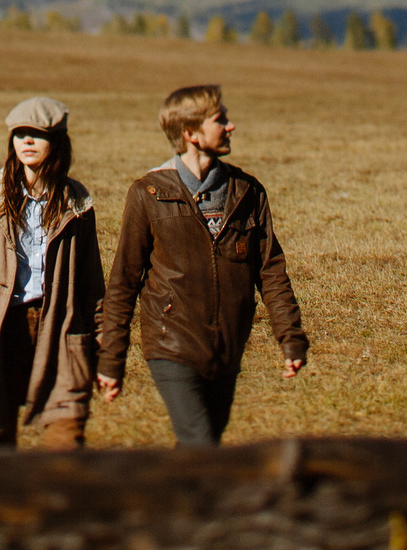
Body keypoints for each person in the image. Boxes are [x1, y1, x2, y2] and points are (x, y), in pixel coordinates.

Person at [96, 83, 308, 446]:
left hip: (228, 346)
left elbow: (270, 271)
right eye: (220, 119)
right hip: (171, 344)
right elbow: (123, 282)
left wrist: (291, 339)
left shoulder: (248, 191)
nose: (231, 126)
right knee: (200, 442)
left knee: (201, 444)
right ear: (190, 134)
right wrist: (111, 360)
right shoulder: (148, 194)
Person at [0, 95, 104, 448]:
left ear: (57, 141)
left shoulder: (77, 203)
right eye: (20, 134)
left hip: (60, 330)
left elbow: (93, 286)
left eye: (37, 134)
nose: (27, 142)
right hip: (1, 329)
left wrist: (105, 352)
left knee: (65, 444)